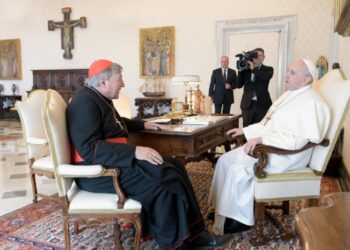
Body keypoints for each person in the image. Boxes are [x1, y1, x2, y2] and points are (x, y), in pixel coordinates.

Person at [67, 59, 230, 249]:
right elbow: (89, 148)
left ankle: (196, 232)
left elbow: (117, 125)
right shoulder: (84, 103)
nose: (124, 84)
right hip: (96, 173)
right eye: (119, 79)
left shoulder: (99, 98)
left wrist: (143, 124)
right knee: (164, 178)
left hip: (111, 162)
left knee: (175, 165)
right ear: (103, 82)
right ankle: (177, 242)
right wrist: (135, 151)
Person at [207, 59, 331, 235]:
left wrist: (262, 140)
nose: (286, 75)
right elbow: (268, 124)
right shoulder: (289, 94)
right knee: (224, 160)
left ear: (306, 79)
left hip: (288, 155)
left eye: (292, 72)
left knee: (238, 170)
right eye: (288, 70)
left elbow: (297, 141)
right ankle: (222, 209)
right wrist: (245, 130)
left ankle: (238, 219)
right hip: (275, 146)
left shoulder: (312, 102)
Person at [236, 48, 274, 126]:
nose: (258, 57)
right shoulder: (246, 70)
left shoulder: (268, 69)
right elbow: (238, 85)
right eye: (256, 55)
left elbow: (266, 77)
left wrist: (254, 68)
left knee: (261, 129)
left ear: (264, 57)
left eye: (261, 55)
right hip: (247, 105)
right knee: (246, 129)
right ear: (252, 57)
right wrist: (240, 70)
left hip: (263, 105)